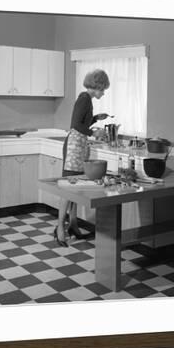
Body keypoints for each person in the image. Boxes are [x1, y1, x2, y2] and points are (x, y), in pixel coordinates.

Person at [54, 69, 110, 247]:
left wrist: (94, 119)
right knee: (67, 189)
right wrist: (94, 131)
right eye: (103, 89)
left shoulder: (87, 100)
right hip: (73, 147)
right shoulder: (84, 99)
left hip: (79, 146)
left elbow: (82, 121)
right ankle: (59, 229)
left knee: (75, 187)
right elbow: (76, 125)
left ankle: (73, 224)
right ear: (97, 86)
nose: (104, 92)